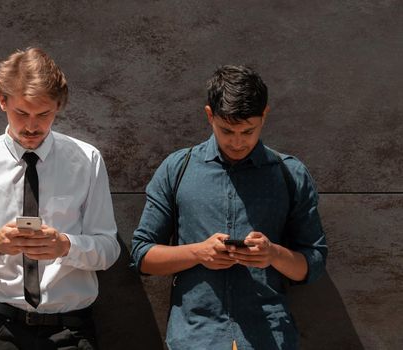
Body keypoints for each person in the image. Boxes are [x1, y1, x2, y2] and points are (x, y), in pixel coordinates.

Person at [131, 65, 327, 349]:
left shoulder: (289, 174)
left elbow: (314, 264)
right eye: (227, 130)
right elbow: (142, 255)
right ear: (210, 115)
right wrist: (199, 253)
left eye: (248, 131)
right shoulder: (178, 169)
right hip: (196, 337)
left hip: (270, 337)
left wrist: (272, 254)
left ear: (265, 116)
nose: (238, 142)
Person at [0, 47, 120, 350]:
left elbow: (108, 249)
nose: (32, 126)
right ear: (2, 100)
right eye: (21, 113)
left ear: (59, 107)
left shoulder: (86, 160)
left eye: (44, 114)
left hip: (71, 332)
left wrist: (66, 246)